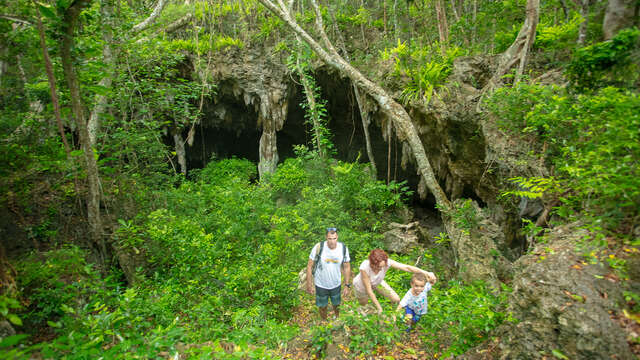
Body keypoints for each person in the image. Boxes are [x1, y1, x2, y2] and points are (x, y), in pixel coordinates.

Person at [353, 248, 436, 314]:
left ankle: (389, 313)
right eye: (378, 267)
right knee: (365, 306)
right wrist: (379, 308)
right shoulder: (364, 267)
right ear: (372, 264)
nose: (380, 269)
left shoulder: (387, 262)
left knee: (395, 299)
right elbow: (369, 290)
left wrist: (426, 273)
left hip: (378, 282)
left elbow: (407, 268)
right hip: (362, 286)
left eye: (382, 267)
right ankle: (367, 313)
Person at [306, 227, 352, 320]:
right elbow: (310, 266)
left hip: (336, 283)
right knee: (322, 306)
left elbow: (347, 267)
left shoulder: (343, 248)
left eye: (334, 238)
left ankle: (337, 318)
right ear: (326, 237)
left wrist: (347, 285)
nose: (332, 241)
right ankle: (324, 321)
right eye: (329, 239)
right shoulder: (318, 247)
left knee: (336, 304)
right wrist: (309, 284)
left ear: (337, 237)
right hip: (320, 284)